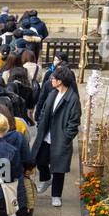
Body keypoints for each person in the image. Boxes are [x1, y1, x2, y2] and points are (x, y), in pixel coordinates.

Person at [30, 65, 82, 208]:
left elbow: (74, 121)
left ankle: (56, 195)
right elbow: (44, 111)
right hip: (46, 135)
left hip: (60, 137)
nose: (51, 80)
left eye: (54, 78)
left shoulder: (72, 99)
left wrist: (66, 136)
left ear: (61, 81)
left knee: (58, 168)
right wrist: (40, 123)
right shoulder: (53, 93)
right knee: (40, 160)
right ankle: (46, 179)